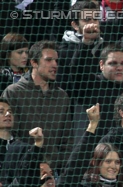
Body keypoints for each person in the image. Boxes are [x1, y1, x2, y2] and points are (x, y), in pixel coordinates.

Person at [2, 41, 73, 169]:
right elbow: (9, 134)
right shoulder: (14, 92)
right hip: (21, 170)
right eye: (49, 60)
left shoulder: (62, 97)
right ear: (34, 62)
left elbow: (66, 139)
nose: (55, 65)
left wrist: (59, 166)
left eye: (56, 61)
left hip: (53, 172)